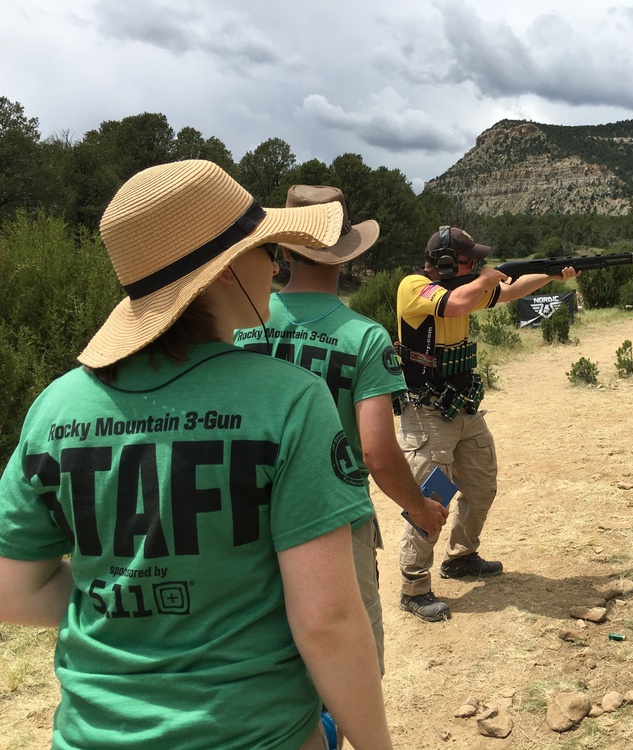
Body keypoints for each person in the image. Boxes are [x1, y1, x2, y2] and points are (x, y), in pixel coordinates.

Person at [0, 160, 393, 750]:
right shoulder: (288, 400)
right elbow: (327, 622)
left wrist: (133, 607)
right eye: (266, 249)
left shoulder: (55, 408)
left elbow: (15, 590)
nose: (275, 265)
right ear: (230, 269)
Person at [235, 185, 448, 673]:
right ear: (348, 254)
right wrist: (419, 507)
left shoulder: (241, 325)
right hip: (333, 522)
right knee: (348, 666)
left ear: (284, 250)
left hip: (247, 521)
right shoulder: (364, 337)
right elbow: (376, 452)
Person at [395, 226, 578, 621]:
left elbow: (511, 290)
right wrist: (484, 278)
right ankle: (414, 586)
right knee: (431, 498)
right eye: (468, 261)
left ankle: (461, 557)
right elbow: (457, 303)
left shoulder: (466, 286)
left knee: (481, 485)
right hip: (427, 413)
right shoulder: (414, 287)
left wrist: (551, 273)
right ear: (446, 264)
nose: (476, 266)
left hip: (461, 407)